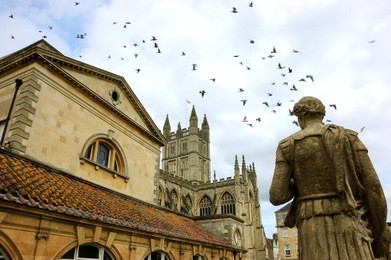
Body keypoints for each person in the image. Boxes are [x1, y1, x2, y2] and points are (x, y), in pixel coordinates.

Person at [269, 96, 390, 259]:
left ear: (300, 117)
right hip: (351, 218)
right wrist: (381, 230)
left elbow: (277, 196)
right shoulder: (349, 138)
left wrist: (300, 182)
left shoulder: (287, 145)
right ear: (322, 115)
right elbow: (374, 188)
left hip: (311, 224)